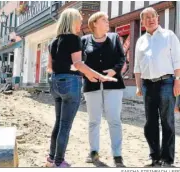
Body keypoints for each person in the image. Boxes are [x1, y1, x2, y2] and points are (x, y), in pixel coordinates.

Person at [46, 8, 117, 168]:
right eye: (79, 20)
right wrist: (100, 76)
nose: (81, 23)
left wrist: (86, 74)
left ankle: (51, 158)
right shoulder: (74, 39)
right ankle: (59, 162)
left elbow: (50, 67)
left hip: (55, 83)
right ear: (71, 21)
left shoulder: (53, 41)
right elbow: (78, 64)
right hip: (70, 84)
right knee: (65, 125)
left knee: (59, 123)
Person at [134, 7, 180, 167]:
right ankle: (154, 157)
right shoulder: (141, 40)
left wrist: (178, 80)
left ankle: (167, 159)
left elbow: (177, 61)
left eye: (153, 16)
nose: (151, 19)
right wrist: (138, 87)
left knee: (167, 121)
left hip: (167, 82)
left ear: (157, 18)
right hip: (147, 85)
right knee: (150, 122)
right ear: (142, 22)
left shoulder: (169, 36)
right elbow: (137, 67)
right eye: (147, 17)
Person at [81, 11, 126, 167]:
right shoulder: (84, 40)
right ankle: (93, 151)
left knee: (114, 120)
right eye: (104, 20)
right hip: (91, 86)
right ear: (94, 23)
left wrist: (114, 70)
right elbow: (78, 63)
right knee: (94, 121)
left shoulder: (114, 38)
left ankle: (117, 155)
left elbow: (122, 58)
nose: (108, 22)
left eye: (108, 20)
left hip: (113, 85)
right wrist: (87, 75)